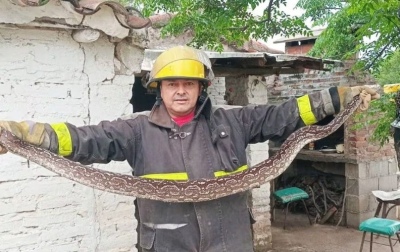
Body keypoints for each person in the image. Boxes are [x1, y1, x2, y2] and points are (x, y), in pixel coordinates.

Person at [0, 46, 379, 252]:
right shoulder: (134, 130)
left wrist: (339, 97)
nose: (180, 90)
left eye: (189, 83)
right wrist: (23, 134)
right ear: (159, 89)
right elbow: (81, 140)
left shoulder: (233, 122)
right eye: (171, 84)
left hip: (230, 241)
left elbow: (284, 115)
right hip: (166, 242)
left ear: (201, 88)